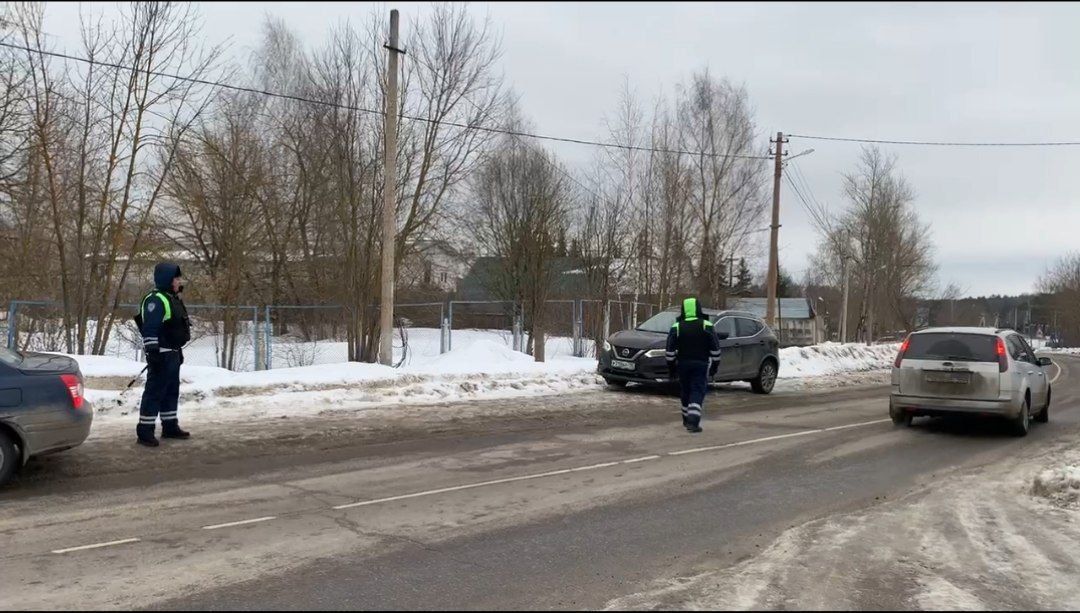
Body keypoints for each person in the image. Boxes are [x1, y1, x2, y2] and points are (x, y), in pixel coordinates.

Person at [135, 262, 192, 447]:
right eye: (176, 278)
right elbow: (150, 328)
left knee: (170, 391)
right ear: (167, 279)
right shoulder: (156, 300)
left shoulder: (171, 298)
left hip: (172, 353)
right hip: (161, 354)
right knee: (154, 392)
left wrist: (178, 351)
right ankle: (145, 431)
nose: (178, 281)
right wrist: (153, 353)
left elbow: (175, 327)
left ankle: (169, 426)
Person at [665, 297, 721, 433]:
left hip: (683, 364)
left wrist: (672, 368)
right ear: (699, 309)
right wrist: (715, 366)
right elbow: (716, 349)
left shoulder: (677, 327)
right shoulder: (706, 325)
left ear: (684, 310)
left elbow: (669, 351)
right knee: (697, 390)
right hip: (700, 364)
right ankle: (693, 421)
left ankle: (686, 419)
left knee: (686, 391)